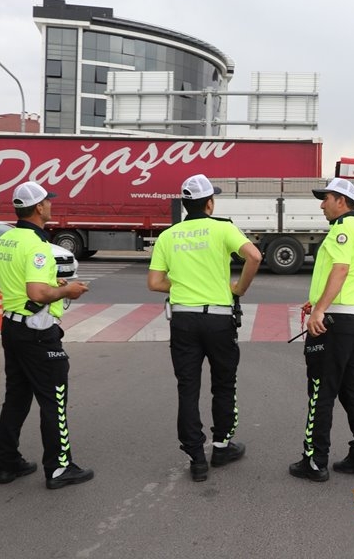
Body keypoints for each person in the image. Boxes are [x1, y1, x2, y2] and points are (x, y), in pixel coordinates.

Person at [147, 174, 261, 482]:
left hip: (184, 319)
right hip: (219, 319)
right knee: (224, 383)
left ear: (185, 205)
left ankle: (197, 458)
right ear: (209, 203)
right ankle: (222, 446)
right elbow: (254, 256)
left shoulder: (168, 236)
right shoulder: (223, 228)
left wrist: (184, 283)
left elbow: (155, 283)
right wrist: (239, 288)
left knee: (188, 387)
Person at [0, 181, 93, 490]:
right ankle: (60, 468)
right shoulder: (37, 246)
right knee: (54, 399)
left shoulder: (6, 240)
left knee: (17, 397)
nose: (51, 204)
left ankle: (7, 462)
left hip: (12, 327)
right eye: (48, 201)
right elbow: (36, 292)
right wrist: (68, 290)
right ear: (38, 207)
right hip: (37, 331)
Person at [289, 177, 354, 482]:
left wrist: (321, 309)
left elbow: (340, 270)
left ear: (341, 201)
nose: (322, 204)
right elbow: (344, 277)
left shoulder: (341, 230)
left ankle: (314, 461)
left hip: (335, 323)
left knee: (320, 390)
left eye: (325, 198)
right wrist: (316, 301)